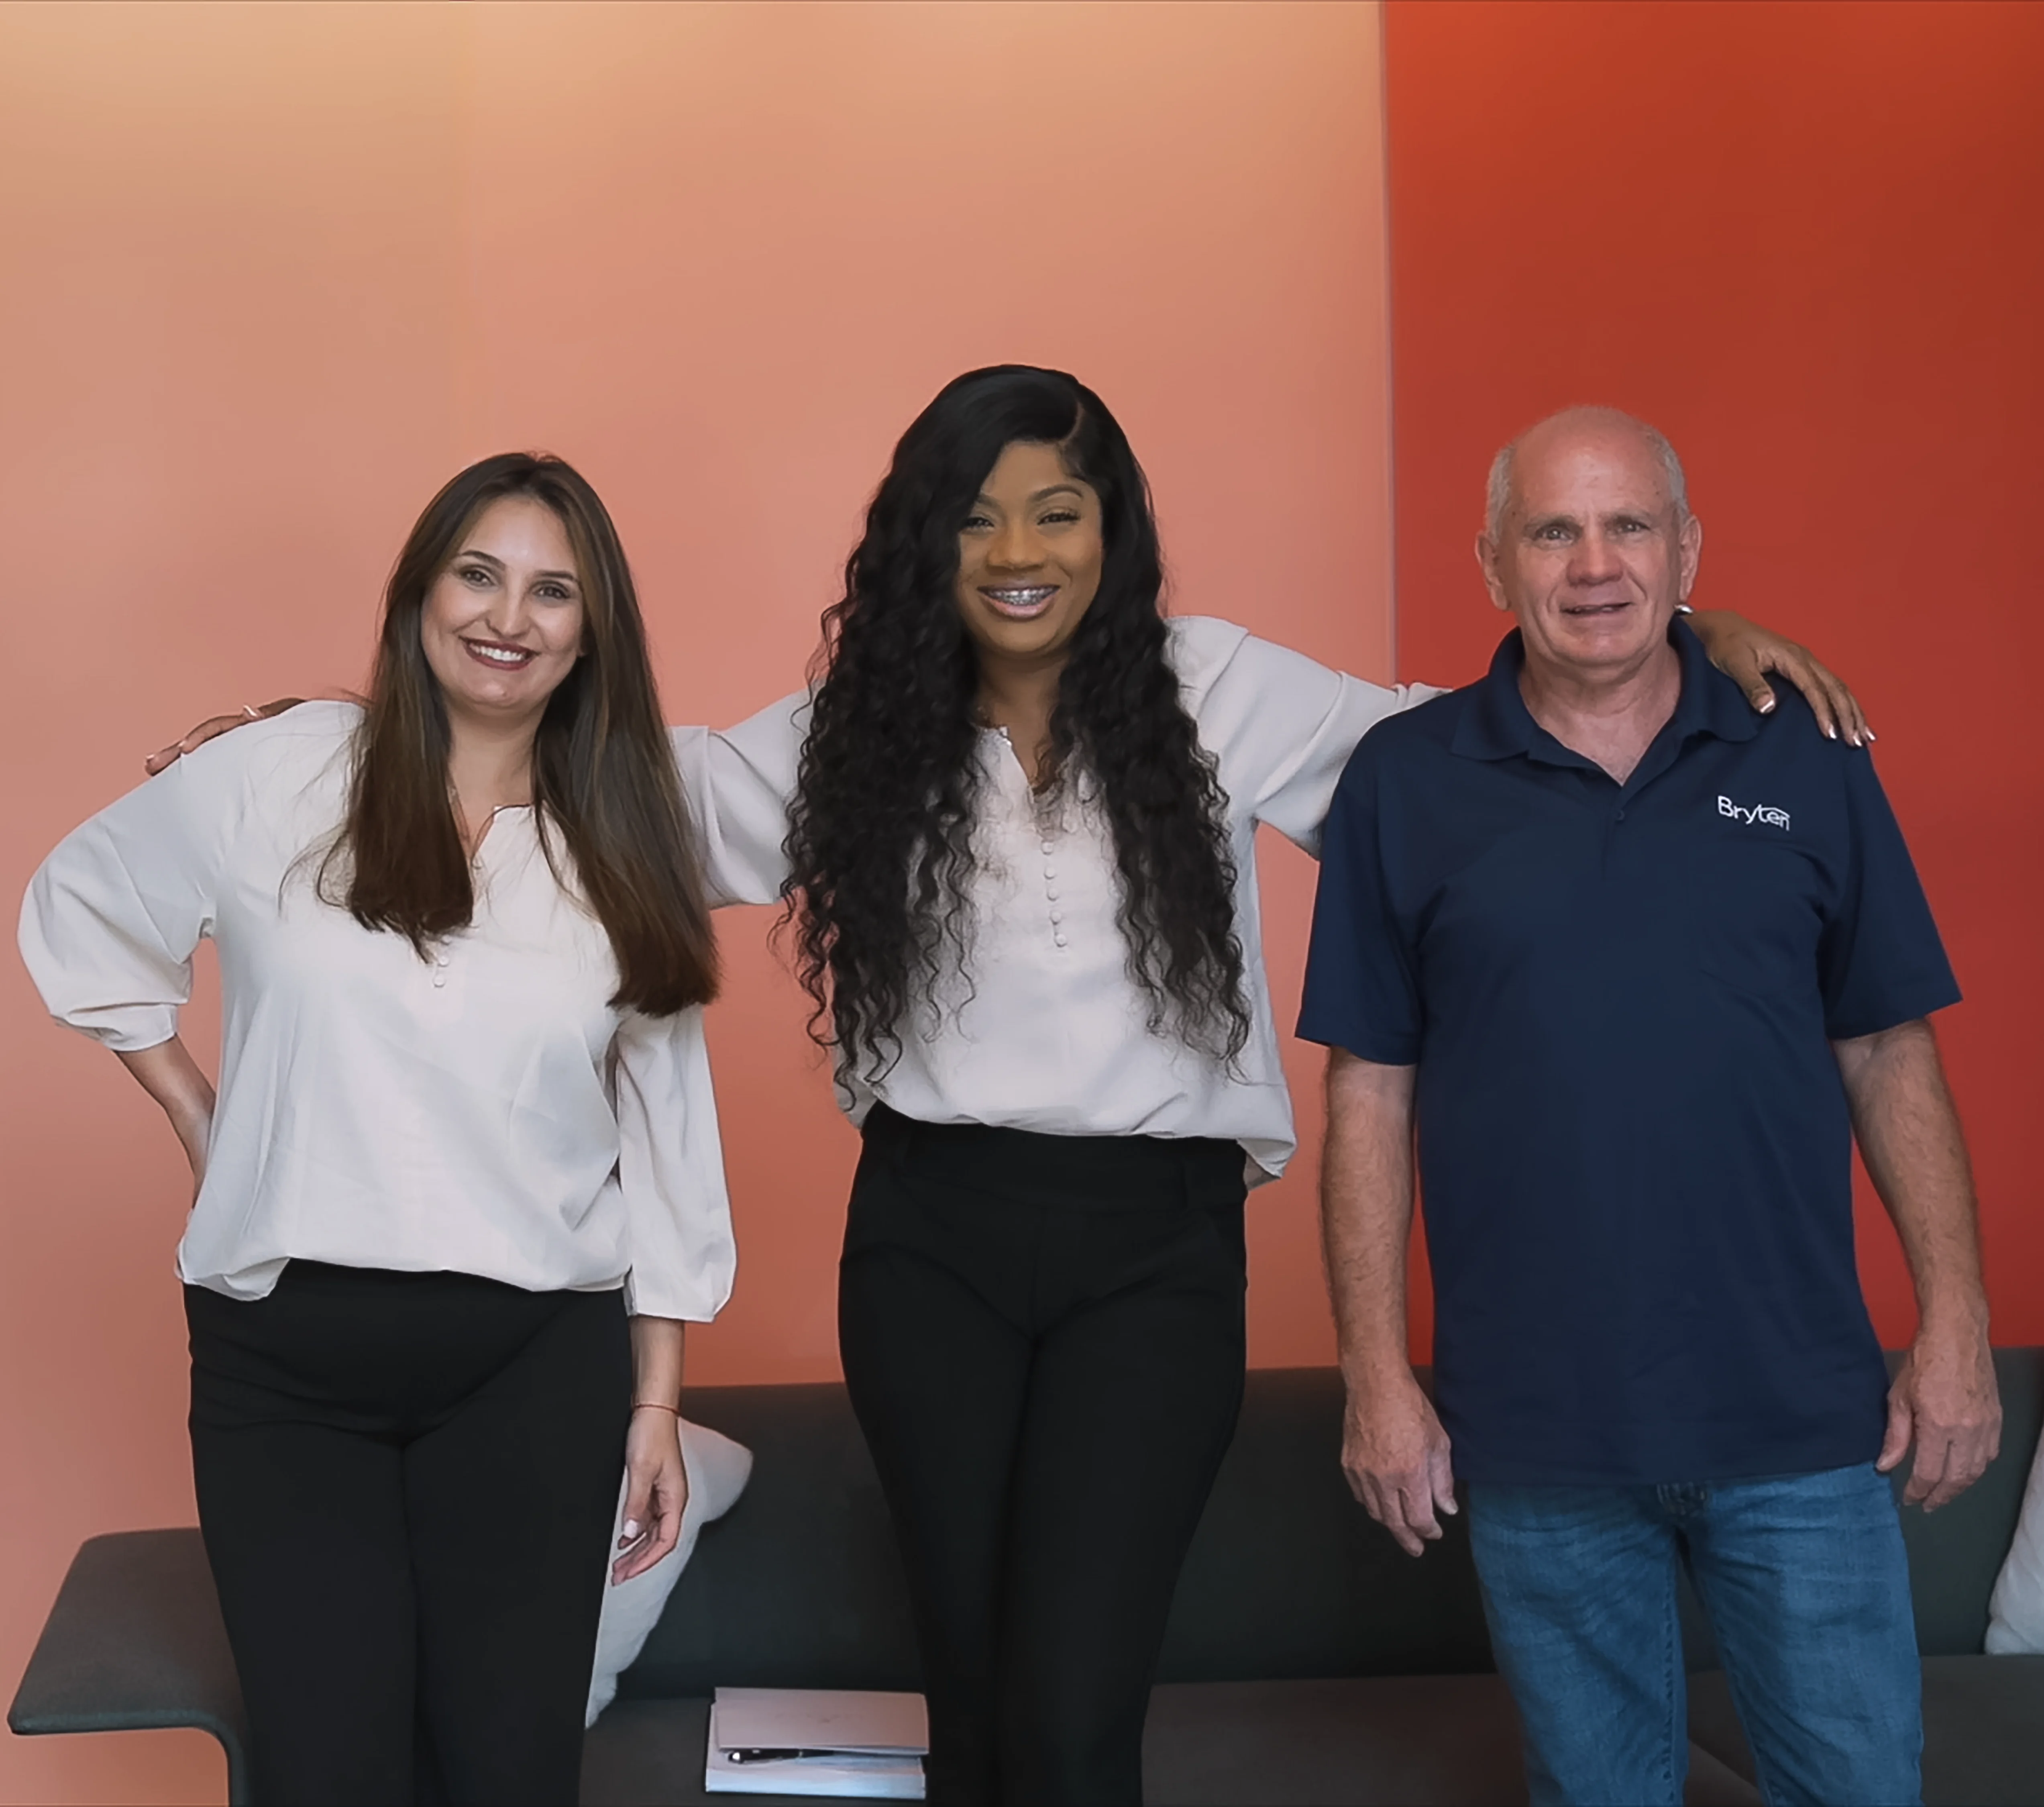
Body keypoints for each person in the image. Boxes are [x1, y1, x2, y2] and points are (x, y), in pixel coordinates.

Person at [146, 368, 1863, 1807]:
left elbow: (1458, 748)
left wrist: (1683, 632)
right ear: (925, 540)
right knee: (968, 1704)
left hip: (1156, 1256)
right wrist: (342, 729)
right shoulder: (858, 725)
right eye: (976, 514)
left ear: (1112, 532)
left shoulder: (1215, 687)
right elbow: (618, 783)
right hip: (932, 1245)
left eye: (1058, 509)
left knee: (1070, 1711)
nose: (1020, 549)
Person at [1298, 406, 2000, 1807]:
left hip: (1802, 1427)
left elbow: (1889, 1052)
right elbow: (1370, 1096)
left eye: (1630, 525)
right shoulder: (1405, 781)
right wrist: (1377, 1378)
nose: (1595, 562)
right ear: (1494, 561)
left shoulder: (1803, 752)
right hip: (1541, 1438)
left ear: (1688, 551)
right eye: (1554, 528)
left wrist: (1957, 1326)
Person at [20, 453, 734, 1806]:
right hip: (286, 1377)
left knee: (510, 1774)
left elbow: (667, 1127)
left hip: (532, 1373)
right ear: (419, 591)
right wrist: (200, 1115)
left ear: (592, 634)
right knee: (327, 1772)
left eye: (551, 590)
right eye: (477, 571)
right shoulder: (278, 776)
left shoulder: (624, 844)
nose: (506, 615)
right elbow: (82, 907)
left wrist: (657, 1396)